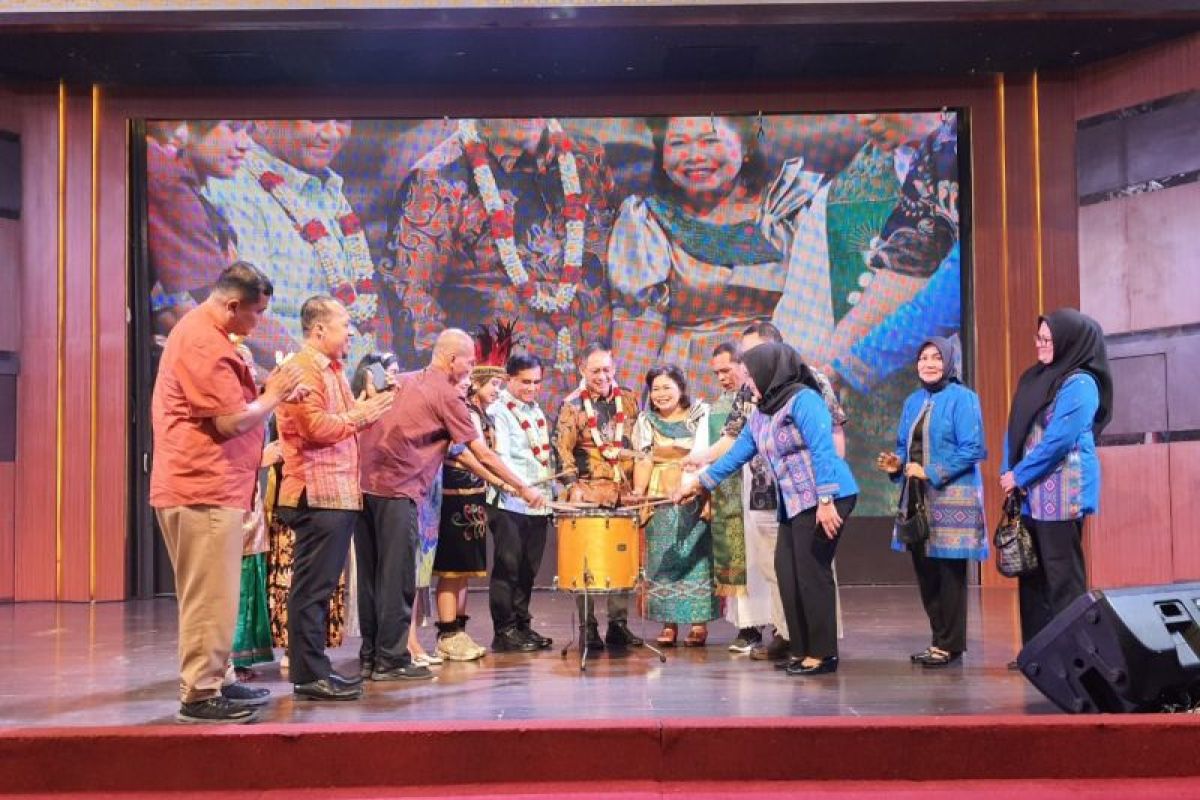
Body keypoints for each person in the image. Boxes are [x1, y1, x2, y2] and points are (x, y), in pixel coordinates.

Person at [150, 262, 303, 724]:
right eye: (257, 313)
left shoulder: (210, 334)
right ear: (234, 305)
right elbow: (230, 421)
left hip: (216, 486)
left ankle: (218, 678)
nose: (259, 323)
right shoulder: (203, 340)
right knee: (208, 597)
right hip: (202, 486)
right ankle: (199, 694)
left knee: (217, 594)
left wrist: (268, 390)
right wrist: (273, 394)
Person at [356, 328, 546, 681]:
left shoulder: (407, 381)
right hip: (398, 491)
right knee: (397, 578)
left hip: (366, 488)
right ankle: (390, 660)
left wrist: (504, 484)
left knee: (373, 577)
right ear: (452, 359)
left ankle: (370, 656)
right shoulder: (447, 395)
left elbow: (462, 453)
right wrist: (521, 487)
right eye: (470, 363)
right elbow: (481, 452)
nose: (472, 371)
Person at [382, 118, 617, 400]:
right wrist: (459, 400)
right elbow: (412, 301)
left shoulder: (588, 157)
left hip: (593, 389)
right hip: (494, 398)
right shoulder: (436, 178)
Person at [608, 115, 822, 400]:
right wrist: (626, 412)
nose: (695, 156)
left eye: (709, 141)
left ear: (746, 146)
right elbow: (637, 337)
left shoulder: (788, 206)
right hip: (687, 393)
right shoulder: (646, 221)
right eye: (678, 143)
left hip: (775, 388)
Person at [680, 343, 858, 676]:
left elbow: (823, 450)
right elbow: (737, 454)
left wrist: (825, 500)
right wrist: (701, 483)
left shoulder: (804, 399)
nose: (747, 383)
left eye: (750, 376)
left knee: (811, 573)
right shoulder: (762, 413)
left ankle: (823, 654)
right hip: (794, 503)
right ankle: (802, 649)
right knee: (787, 574)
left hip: (827, 496)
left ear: (769, 372)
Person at [274, 296, 395, 702]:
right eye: (345, 326)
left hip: (336, 495)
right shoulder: (302, 369)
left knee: (319, 588)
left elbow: (339, 422)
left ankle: (315, 669)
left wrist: (366, 406)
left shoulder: (332, 369)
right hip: (317, 493)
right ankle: (309, 675)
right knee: (312, 589)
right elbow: (316, 428)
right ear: (319, 329)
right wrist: (367, 412)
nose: (351, 333)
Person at [205, 120, 381, 371]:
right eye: (317, 119)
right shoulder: (235, 188)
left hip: (349, 380)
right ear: (265, 121)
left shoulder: (328, 190)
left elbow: (359, 318)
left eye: (342, 120)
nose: (332, 134)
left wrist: (376, 380)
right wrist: (318, 380)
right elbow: (246, 319)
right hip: (290, 384)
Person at [1001, 309, 1111, 653]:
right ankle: (1037, 652)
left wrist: (1019, 474)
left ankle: (1074, 653)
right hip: (1029, 493)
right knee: (1031, 574)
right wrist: (1009, 474)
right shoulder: (1034, 377)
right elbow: (1015, 429)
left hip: (1063, 492)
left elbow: (1059, 440)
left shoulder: (1081, 384)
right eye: (1039, 338)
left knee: (1062, 577)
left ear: (1069, 342)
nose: (1041, 345)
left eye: (1049, 339)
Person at [875, 337, 987, 668]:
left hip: (952, 497)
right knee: (926, 573)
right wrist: (896, 464)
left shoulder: (963, 398)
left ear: (949, 362)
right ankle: (938, 640)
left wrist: (930, 471)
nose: (929, 364)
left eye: (936, 357)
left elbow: (973, 448)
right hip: (917, 498)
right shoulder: (913, 401)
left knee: (949, 574)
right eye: (923, 358)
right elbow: (903, 446)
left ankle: (950, 645)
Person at [553, 342, 645, 651]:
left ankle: (618, 625)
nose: (602, 376)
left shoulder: (628, 399)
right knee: (586, 560)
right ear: (582, 370)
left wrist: (639, 485)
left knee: (621, 554)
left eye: (607, 369)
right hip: (587, 492)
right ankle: (588, 627)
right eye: (595, 371)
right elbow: (562, 450)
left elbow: (638, 442)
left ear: (614, 368)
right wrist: (573, 487)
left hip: (623, 492)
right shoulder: (572, 405)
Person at [430, 330, 511, 661]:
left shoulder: (481, 414)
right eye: (493, 385)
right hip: (454, 497)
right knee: (451, 569)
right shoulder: (459, 411)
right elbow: (468, 454)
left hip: (473, 498)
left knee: (463, 570)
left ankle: (458, 631)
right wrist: (503, 481)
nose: (497, 391)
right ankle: (448, 633)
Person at [632, 365, 716, 646]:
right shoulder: (646, 420)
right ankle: (668, 623)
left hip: (694, 489)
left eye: (666, 387)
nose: (660, 394)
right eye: (655, 389)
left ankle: (698, 622)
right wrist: (639, 492)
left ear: (681, 388)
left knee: (696, 556)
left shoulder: (700, 415)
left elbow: (709, 453)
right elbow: (643, 459)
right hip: (661, 495)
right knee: (663, 557)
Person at [702, 343, 773, 654]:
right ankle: (749, 627)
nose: (722, 378)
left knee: (767, 560)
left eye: (726, 370)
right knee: (743, 559)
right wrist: (699, 464)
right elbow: (725, 443)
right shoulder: (714, 408)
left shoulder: (766, 395)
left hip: (764, 489)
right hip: (731, 490)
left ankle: (782, 627)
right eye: (716, 373)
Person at [488, 353, 557, 652]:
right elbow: (500, 458)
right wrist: (522, 488)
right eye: (525, 382)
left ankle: (522, 626)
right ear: (509, 379)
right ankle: (504, 632)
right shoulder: (498, 410)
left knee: (529, 567)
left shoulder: (536, 410)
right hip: (510, 502)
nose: (532, 388)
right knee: (509, 567)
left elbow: (542, 457)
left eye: (536, 382)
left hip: (538, 502)